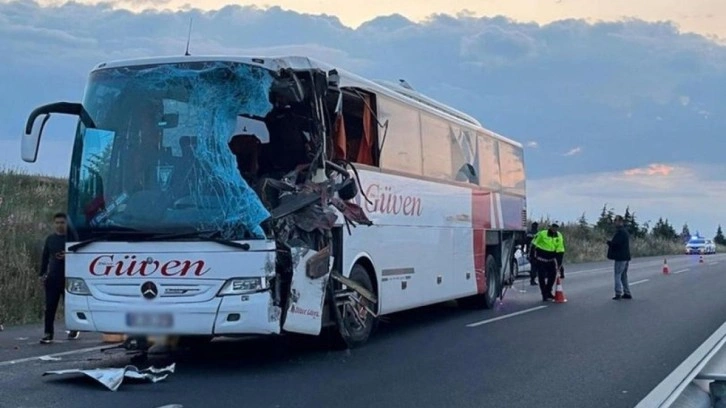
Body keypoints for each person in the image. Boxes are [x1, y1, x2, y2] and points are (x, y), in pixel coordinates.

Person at [39, 212, 79, 344]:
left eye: (62, 223)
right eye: (57, 223)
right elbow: (45, 257)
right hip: (53, 278)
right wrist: (42, 274)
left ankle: (74, 328)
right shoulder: (50, 239)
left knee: (69, 306)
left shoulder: (73, 238)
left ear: (67, 223)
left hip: (69, 278)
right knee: (50, 307)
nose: (59, 225)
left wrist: (68, 255)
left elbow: (81, 256)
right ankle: (48, 333)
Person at [530, 223, 565, 301]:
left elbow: (560, 250)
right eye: (553, 227)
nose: (554, 229)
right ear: (550, 227)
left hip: (551, 260)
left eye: (556, 227)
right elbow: (533, 245)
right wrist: (532, 257)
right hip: (541, 259)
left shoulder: (559, 236)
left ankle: (548, 291)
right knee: (541, 277)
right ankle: (544, 294)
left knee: (552, 276)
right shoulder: (542, 234)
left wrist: (559, 264)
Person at [607, 215, 632, 300]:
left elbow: (617, 244)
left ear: (620, 222)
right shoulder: (624, 232)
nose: (614, 222)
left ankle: (618, 293)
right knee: (623, 276)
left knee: (617, 275)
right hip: (625, 257)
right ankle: (627, 292)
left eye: (616, 221)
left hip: (621, 258)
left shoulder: (621, 232)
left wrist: (609, 243)